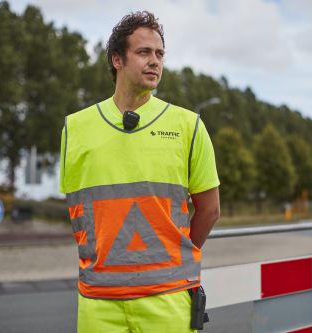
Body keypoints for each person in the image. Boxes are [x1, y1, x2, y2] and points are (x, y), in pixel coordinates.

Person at [59, 11, 220, 332]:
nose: (155, 61)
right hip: (98, 301)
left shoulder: (189, 126)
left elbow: (210, 210)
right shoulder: (75, 128)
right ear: (117, 60)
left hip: (168, 298)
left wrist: (176, 256)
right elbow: (78, 209)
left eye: (160, 54)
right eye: (144, 52)